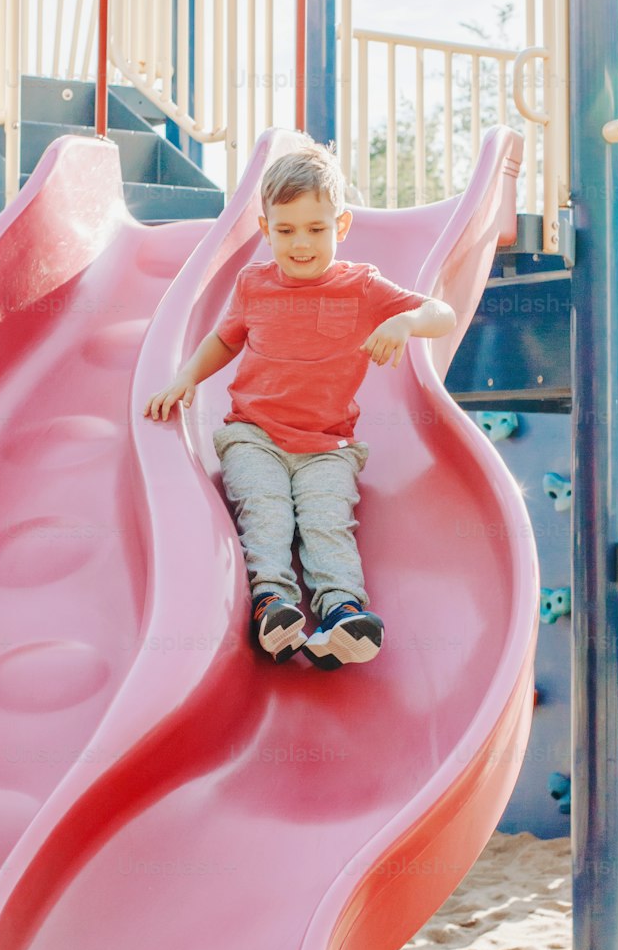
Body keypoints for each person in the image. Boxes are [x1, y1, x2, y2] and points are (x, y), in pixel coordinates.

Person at [143, 140, 457, 669]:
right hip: (254, 434)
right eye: (285, 230)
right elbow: (226, 338)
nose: (302, 243)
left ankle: (342, 613)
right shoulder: (255, 283)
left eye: (317, 228)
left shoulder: (362, 286)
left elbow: (442, 314)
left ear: (343, 225)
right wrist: (186, 377)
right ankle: (273, 604)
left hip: (327, 445)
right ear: (266, 230)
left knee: (326, 521)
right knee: (266, 512)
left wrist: (404, 321)